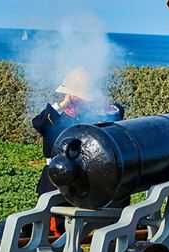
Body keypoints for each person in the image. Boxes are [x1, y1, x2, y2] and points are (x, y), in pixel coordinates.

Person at [32, 67, 124, 233]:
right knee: (54, 226)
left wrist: (102, 105)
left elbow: (117, 115)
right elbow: (39, 122)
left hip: (86, 177)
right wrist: (63, 104)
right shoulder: (55, 117)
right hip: (56, 179)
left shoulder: (92, 116)